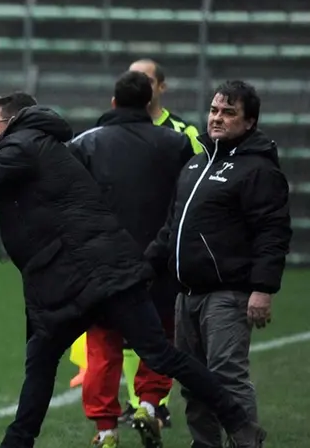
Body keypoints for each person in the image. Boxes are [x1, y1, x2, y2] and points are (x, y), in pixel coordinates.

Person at [0, 92, 266, 448]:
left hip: (93, 275)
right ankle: (17, 443)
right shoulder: (34, 147)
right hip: (80, 277)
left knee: (136, 355)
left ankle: (235, 417)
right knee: (69, 361)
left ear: (13, 121)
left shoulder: (25, 144)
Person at [145, 80, 291, 448]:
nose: (217, 119)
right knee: (194, 382)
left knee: (227, 376)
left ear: (250, 122)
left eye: (229, 113)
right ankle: (205, 444)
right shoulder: (196, 164)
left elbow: (272, 232)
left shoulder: (258, 170)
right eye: (214, 111)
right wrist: (141, 269)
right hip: (186, 294)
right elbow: (171, 228)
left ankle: (245, 443)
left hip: (228, 294)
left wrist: (263, 289)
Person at [68, 71, 194, 448]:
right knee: (158, 343)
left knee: (102, 349)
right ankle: (150, 405)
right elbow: (184, 205)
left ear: (112, 102)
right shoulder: (176, 145)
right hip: (159, 265)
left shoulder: (84, 145)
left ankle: (106, 429)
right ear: (149, 104)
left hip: (102, 267)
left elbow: (71, 208)